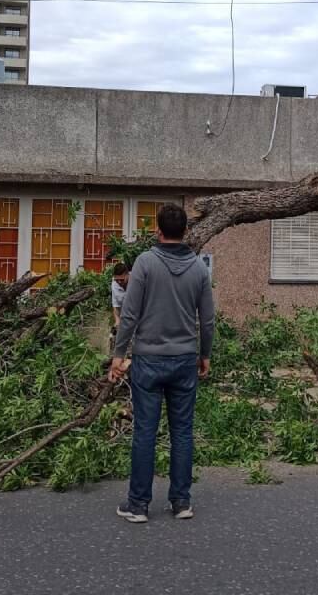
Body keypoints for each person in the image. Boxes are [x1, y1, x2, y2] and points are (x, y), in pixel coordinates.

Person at [109, 204, 214, 523]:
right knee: (182, 431)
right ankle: (181, 502)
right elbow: (207, 320)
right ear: (185, 232)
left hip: (149, 360)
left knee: (145, 431)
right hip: (184, 361)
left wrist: (118, 354)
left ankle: (138, 505)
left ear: (158, 230)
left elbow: (129, 313)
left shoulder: (144, 263)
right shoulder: (198, 269)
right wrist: (205, 355)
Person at [110, 262, 130, 331]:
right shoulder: (114, 284)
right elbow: (116, 306)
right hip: (125, 318)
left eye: (121, 280)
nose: (119, 282)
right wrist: (117, 321)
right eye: (116, 279)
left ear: (128, 274)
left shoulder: (136, 281)